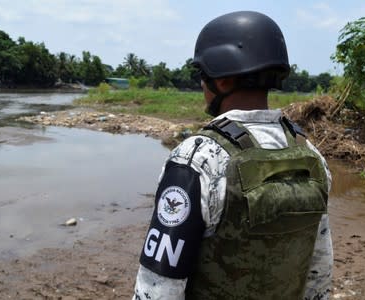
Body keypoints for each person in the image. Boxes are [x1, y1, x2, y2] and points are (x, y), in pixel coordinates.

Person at [133, 11, 333, 300]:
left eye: (203, 76)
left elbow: (158, 286)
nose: (202, 86)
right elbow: (319, 271)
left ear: (223, 81)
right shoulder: (311, 156)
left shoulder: (197, 159)